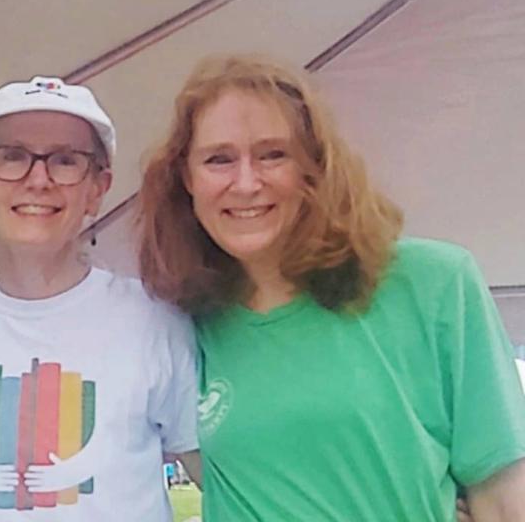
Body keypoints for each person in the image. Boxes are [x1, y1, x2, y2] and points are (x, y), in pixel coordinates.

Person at [135, 54, 525, 521]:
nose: (245, 182)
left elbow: (503, 493)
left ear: (314, 167)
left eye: (272, 154)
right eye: (219, 159)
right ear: (187, 179)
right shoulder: (183, 321)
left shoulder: (433, 284)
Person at [0, 76, 200, 521]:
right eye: (12, 157)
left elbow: (227, 483)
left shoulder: (155, 323)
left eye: (66, 161)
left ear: (98, 188)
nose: (39, 179)